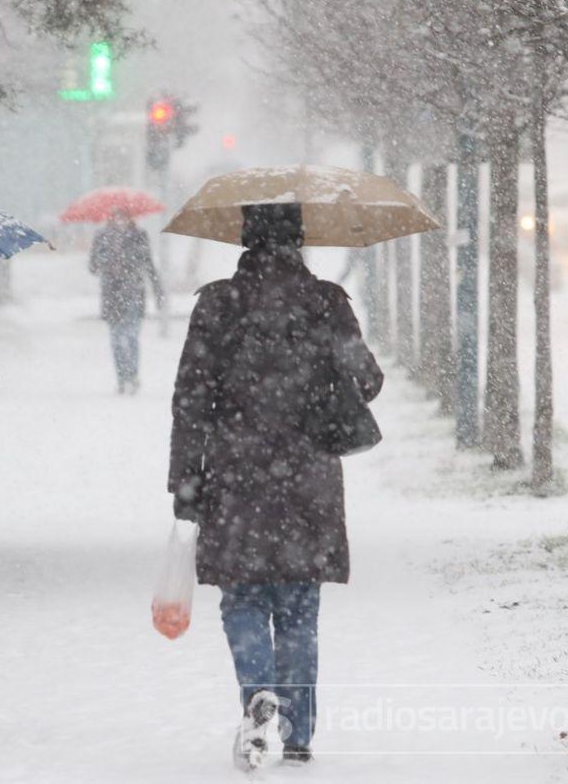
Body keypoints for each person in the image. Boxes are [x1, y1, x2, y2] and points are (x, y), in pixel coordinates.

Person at [168, 203, 383, 770]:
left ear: (244, 241)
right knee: (297, 606)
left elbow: (190, 398)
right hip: (306, 474)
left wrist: (186, 480)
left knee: (241, 597)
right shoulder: (327, 302)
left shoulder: (218, 303)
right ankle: (298, 729)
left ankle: (257, 698)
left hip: (235, 474)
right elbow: (368, 380)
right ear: (299, 241)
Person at [89, 208, 165, 394]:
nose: (120, 220)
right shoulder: (102, 237)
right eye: (117, 216)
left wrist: (158, 292)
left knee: (131, 337)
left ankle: (132, 376)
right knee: (116, 339)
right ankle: (122, 378)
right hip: (111, 296)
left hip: (133, 293)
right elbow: (92, 266)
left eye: (124, 216)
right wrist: (108, 262)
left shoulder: (139, 236)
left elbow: (148, 264)